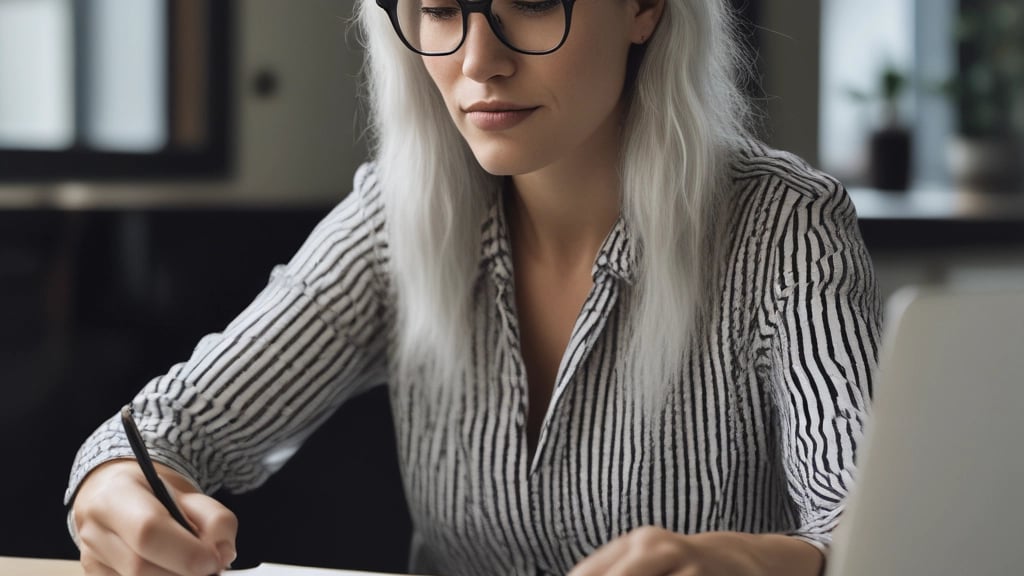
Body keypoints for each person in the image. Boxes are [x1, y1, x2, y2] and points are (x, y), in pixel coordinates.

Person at [65, 0, 882, 574]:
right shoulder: (394, 217)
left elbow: (875, 529)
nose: (478, 61)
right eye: (442, 8)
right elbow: (162, 429)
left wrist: (756, 563)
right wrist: (121, 490)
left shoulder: (786, 230)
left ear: (644, 7)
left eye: (531, 0)